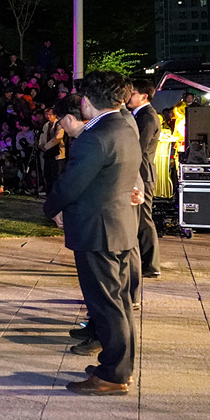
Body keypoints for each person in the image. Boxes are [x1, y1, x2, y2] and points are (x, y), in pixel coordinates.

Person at [44, 71, 141, 395]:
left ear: (87, 102)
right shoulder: (126, 124)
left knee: (106, 305)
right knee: (119, 303)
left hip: (96, 230)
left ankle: (113, 374)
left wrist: (50, 208)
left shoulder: (95, 137)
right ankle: (119, 367)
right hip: (119, 225)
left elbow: (71, 184)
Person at [127, 78, 162, 281]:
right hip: (141, 172)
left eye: (132, 93)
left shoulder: (147, 117)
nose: (129, 97)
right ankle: (146, 261)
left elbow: (137, 148)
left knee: (144, 219)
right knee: (140, 218)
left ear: (144, 96)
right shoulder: (140, 115)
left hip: (143, 173)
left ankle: (150, 264)